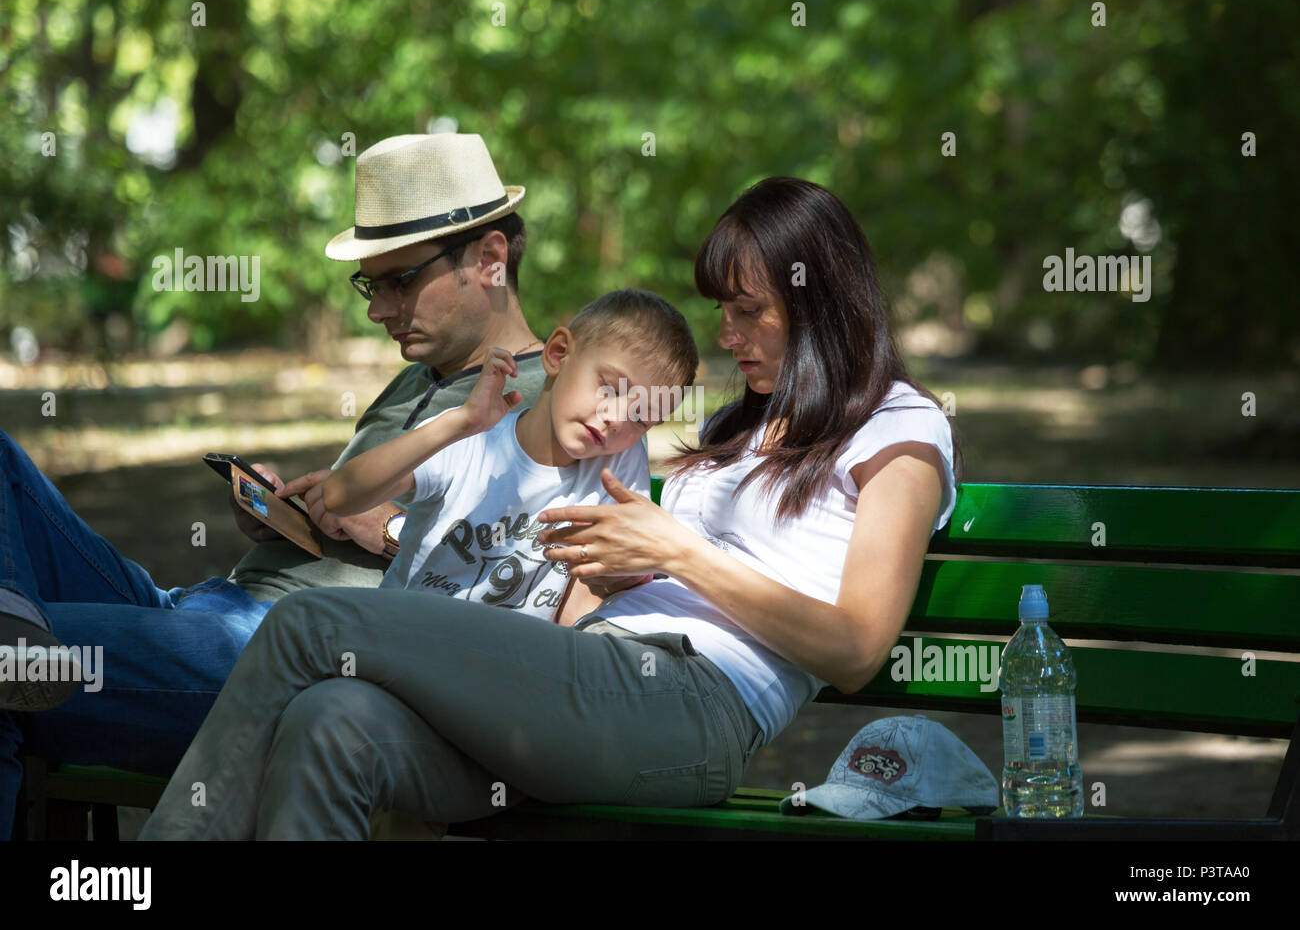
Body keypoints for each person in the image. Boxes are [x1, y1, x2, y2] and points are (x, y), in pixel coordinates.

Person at [138, 175, 964, 840]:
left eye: (748, 311)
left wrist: (678, 553)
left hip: (690, 706)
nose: (726, 334)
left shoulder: (900, 427)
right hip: (581, 682)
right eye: (723, 310)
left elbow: (855, 648)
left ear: (820, 301)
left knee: (309, 625)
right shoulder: (736, 425)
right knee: (332, 721)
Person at [0, 133, 550, 838]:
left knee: (12, 663)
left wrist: (388, 529)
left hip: (289, 657)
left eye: (400, 280)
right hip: (204, 612)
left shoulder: (547, 404)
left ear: (491, 259)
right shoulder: (419, 379)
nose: (377, 310)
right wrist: (287, 519)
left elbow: (531, 596)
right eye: (370, 285)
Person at [321, 289, 698, 621]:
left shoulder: (617, 462)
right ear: (558, 353)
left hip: (506, 664)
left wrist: (628, 570)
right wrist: (460, 422)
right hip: (404, 635)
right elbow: (339, 497)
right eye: (610, 388)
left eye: (641, 417)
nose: (617, 418)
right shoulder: (470, 440)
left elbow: (589, 599)